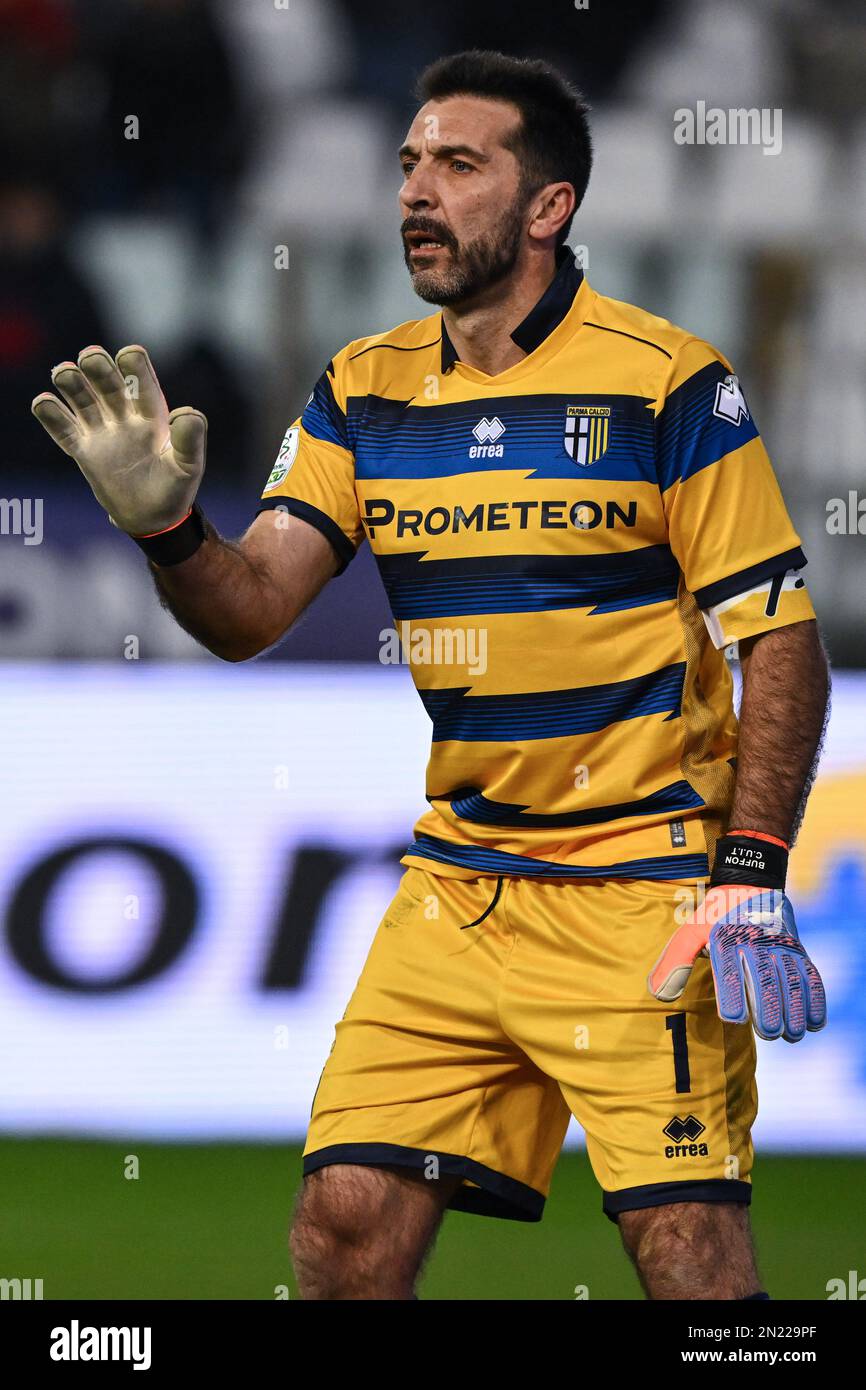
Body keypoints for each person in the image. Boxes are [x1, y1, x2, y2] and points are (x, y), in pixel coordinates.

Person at [31, 50, 829, 1301]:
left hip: (643, 891)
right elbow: (247, 613)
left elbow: (778, 637)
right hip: (457, 885)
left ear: (547, 206)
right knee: (342, 1230)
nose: (416, 190)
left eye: (459, 165)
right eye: (409, 162)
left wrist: (747, 871)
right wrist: (167, 531)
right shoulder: (364, 388)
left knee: (689, 1260)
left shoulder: (666, 382)